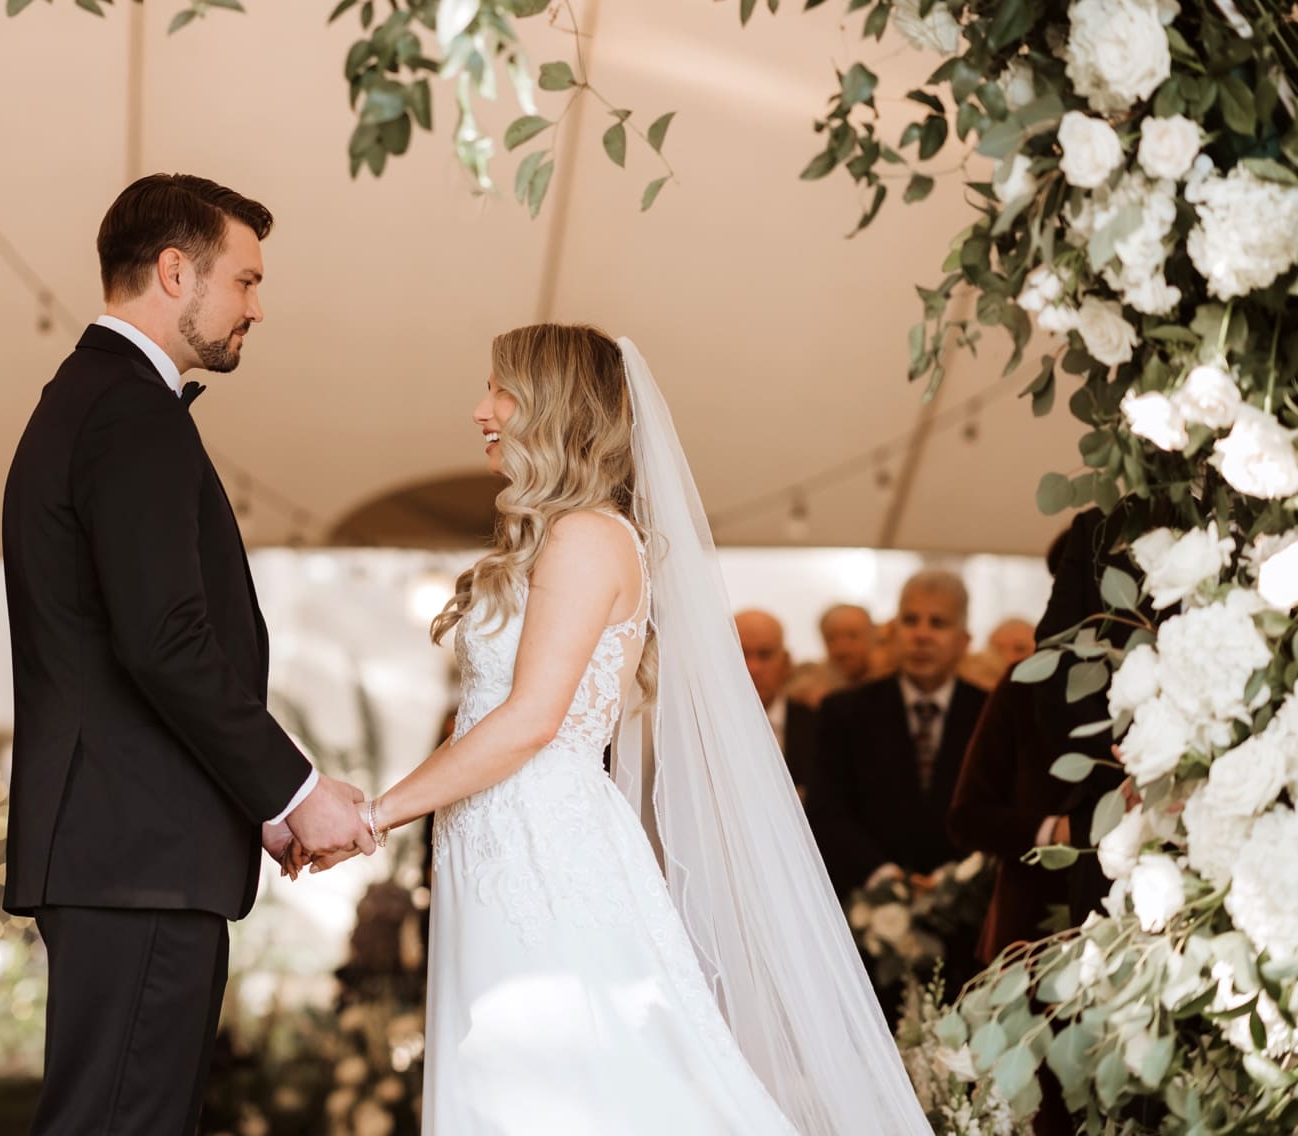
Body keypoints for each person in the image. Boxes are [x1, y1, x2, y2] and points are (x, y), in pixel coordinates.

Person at [288, 325, 928, 1134]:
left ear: (554, 407)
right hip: (496, 843)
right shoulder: (549, 537)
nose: (480, 409)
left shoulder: (588, 537)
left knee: (569, 1088)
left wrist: (376, 815)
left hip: (543, 850)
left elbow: (529, 720)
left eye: (500, 390)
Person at [0, 174, 373, 1136]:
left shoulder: (89, 400)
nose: (256, 306)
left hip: (126, 847)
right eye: (244, 280)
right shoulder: (131, 413)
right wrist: (290, 791)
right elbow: (164, 642)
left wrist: (249, 801)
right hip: (138, 857)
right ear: (175, 271)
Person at [806, 571, 990, 895]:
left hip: (968, 907)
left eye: (938, 623)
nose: (921, 635)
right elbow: (826, 810)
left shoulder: (988, 713)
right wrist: (882, 876)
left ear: (964, 641)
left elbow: (998, 811)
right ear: (892, 633)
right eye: (910, 620)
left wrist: (956, 878)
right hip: (866, 904)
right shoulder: (844, 712)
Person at [735, 608, 819, 796]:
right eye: (739, 654)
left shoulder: (817, 725)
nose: (752, 668)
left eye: (764, 655)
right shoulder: (701, 727)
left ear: (786, 662)